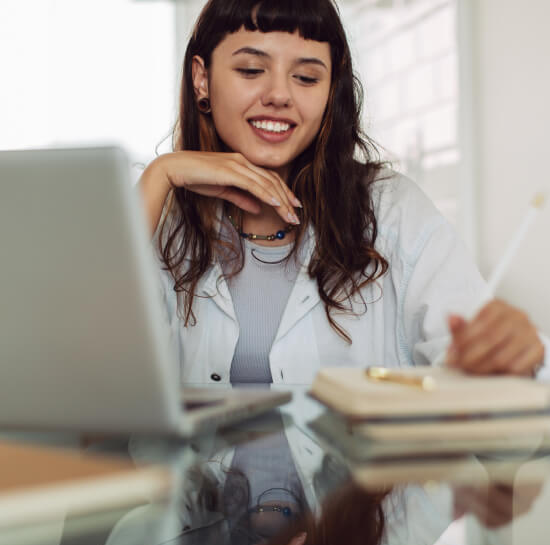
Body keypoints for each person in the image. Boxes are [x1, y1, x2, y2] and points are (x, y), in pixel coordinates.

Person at [139, 0, 546, 387]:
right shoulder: (159, 216)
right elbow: (89, 376)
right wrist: (160, 175)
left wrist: (506, 358)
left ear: (331, 90)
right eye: (250, 69)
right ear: (201, 78)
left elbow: (483, 389)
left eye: (306, 77)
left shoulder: (392, 210)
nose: (280, 95)